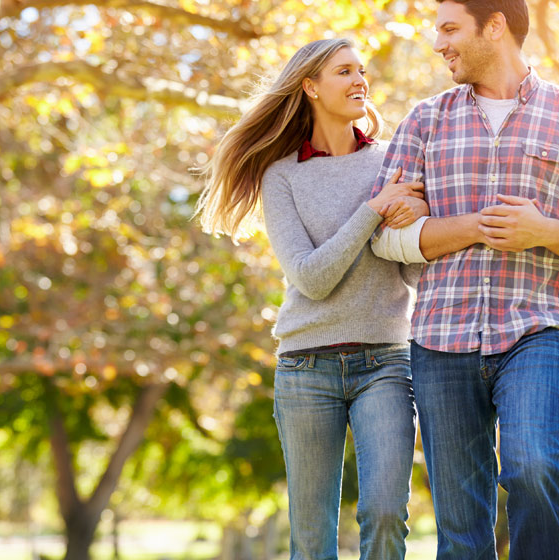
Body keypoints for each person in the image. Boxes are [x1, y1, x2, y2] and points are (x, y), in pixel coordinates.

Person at [370, 1, 559, 558]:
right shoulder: (424, 121)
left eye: (450, 29)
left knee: (533, 463)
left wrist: (544, 231)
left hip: (539, 325)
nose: (439, 43)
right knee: (461, 523)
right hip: (441, 337)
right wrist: (468, 227)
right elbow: (386, 239)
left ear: (494, 25)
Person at [196, 38, 428, 559]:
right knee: (311, 536)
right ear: (310, 86)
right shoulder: (282, 176)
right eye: (344, 71)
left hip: (386, 362)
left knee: (387, 512)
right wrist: (374, 211)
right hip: (306, 367)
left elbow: (413, 270)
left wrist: (414, 220)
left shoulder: (392, 161)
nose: (359, 81)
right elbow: (310, 278)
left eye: (361, 70)